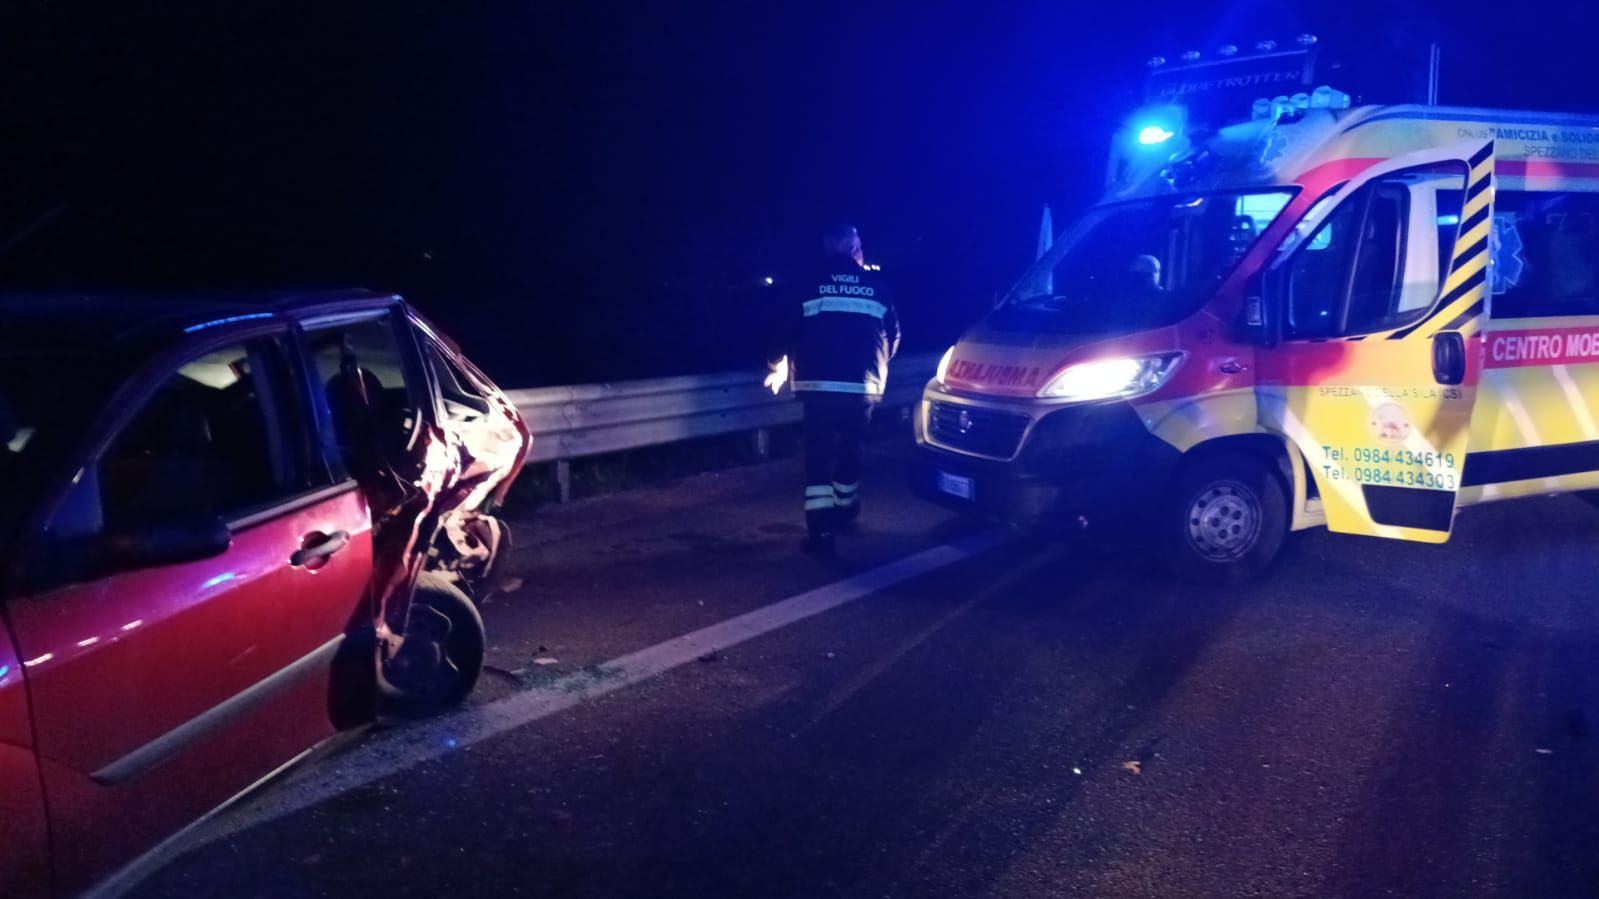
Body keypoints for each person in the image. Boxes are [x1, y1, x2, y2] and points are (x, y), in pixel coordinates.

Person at [766, 224, 900, 554]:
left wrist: (775, 364)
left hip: (819, 387)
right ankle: (846, 514)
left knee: (819, 457)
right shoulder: (877, 286)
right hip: (862, 387)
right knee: (850, 452)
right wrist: (876, 367)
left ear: (827, 249)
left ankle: (821, 535)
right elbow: (893, 336)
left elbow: (784, 328)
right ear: (856, 250)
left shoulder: (809, 284)